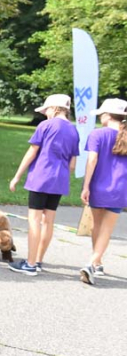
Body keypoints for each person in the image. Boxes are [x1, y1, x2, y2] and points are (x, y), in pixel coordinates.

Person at [8, 93, 79, 276]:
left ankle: (30, 264)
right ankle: (38, 260)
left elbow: (32, 152)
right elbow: (72, 165)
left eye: (46, 110)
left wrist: (17, 176)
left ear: (54, 108)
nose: (45, 113)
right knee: (49, 221)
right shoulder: (74, 131)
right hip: (59, 180)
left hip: (40, 177)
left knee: (34, 220)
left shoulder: (45, 125)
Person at [80, 98, 127, 284]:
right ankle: (95, 262)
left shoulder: (97, 134)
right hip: (120, 188)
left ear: (107, 115)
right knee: (106, 229)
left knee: (96, 225)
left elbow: (92, 160)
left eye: (101, 114)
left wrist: (86, 186)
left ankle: (93, 263)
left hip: (98, 186)